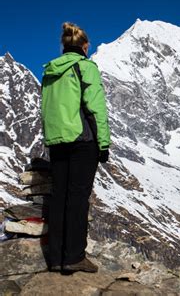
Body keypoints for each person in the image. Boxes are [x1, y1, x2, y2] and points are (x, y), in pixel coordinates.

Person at [41, 22, 111, 272]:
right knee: (78, 198)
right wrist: (103, 144)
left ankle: (56, 258)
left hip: (57, 140)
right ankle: (74, 257)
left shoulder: (49, 71)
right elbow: (95, 108)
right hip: (83, 141)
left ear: (63, 45)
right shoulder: (85, 67)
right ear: (85, 46)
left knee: (59, 197)